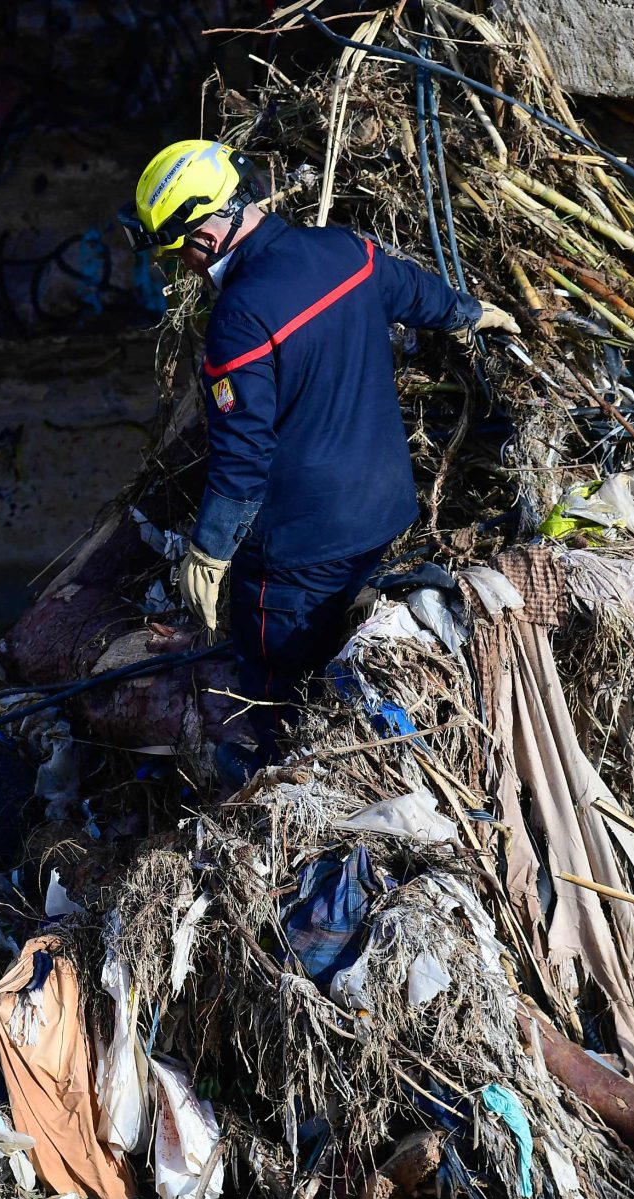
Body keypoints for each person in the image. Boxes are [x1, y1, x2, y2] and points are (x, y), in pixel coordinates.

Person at [119, 139, 519, 763]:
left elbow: (243, 454)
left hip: (298, 554)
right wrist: (472, 312)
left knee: (274, 690)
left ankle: (278, 779)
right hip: (388, 515)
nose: (185, 267)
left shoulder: (239, 319)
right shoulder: (342, 250)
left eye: (179, 251)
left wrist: (209, 552)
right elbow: (415, 290)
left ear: (202, 233)